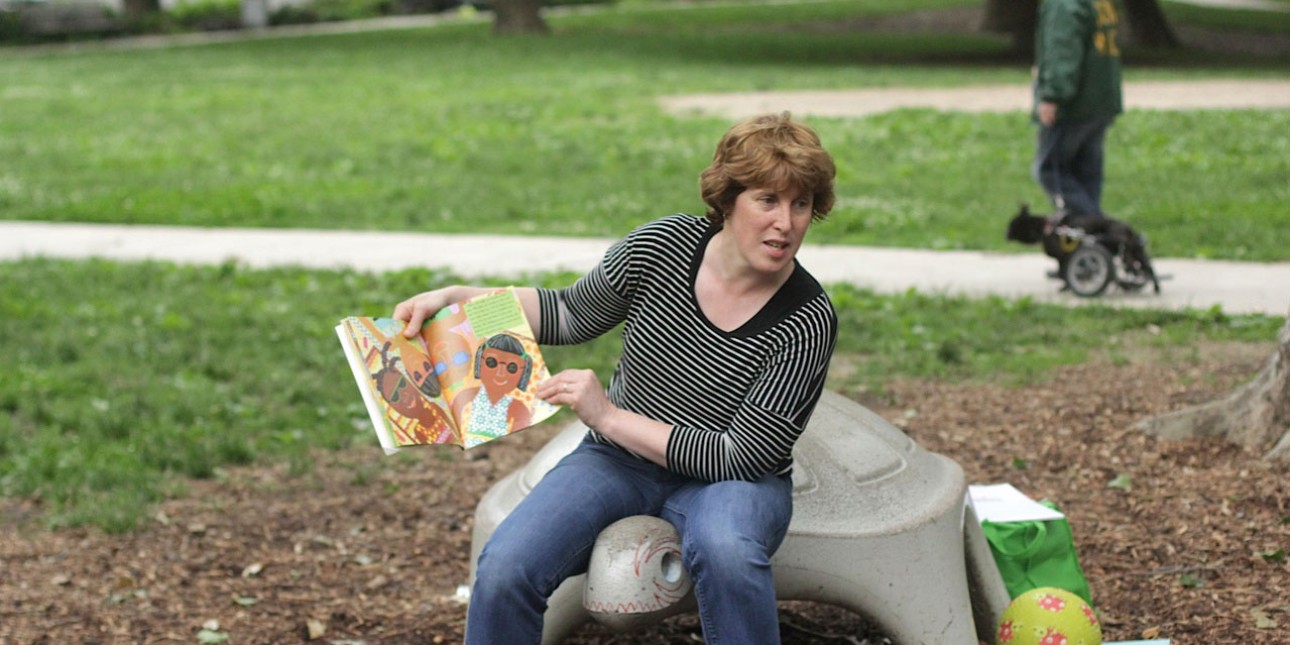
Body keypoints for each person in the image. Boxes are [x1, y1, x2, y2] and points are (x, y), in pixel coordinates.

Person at [392, 112, 839, 644]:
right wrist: (458, 301)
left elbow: (739, 456)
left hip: (733, 482)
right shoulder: (660, 249)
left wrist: (605, 415)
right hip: (618, 462)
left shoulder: (806, 318)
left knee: (728, 552)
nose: (786, 224)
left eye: (801, 204)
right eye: (767, 200)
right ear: (727, 201)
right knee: (508, 565)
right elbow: (567, 313)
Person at [1031, 0, 1124, 218]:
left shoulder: (1063, 4)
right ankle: (1089, 244)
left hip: (1074, 105)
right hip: (1100, 99)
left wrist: (1053, 95)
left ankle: (1100, 230)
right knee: (1085, 175)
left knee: (1049, 171)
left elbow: (1062, 49)